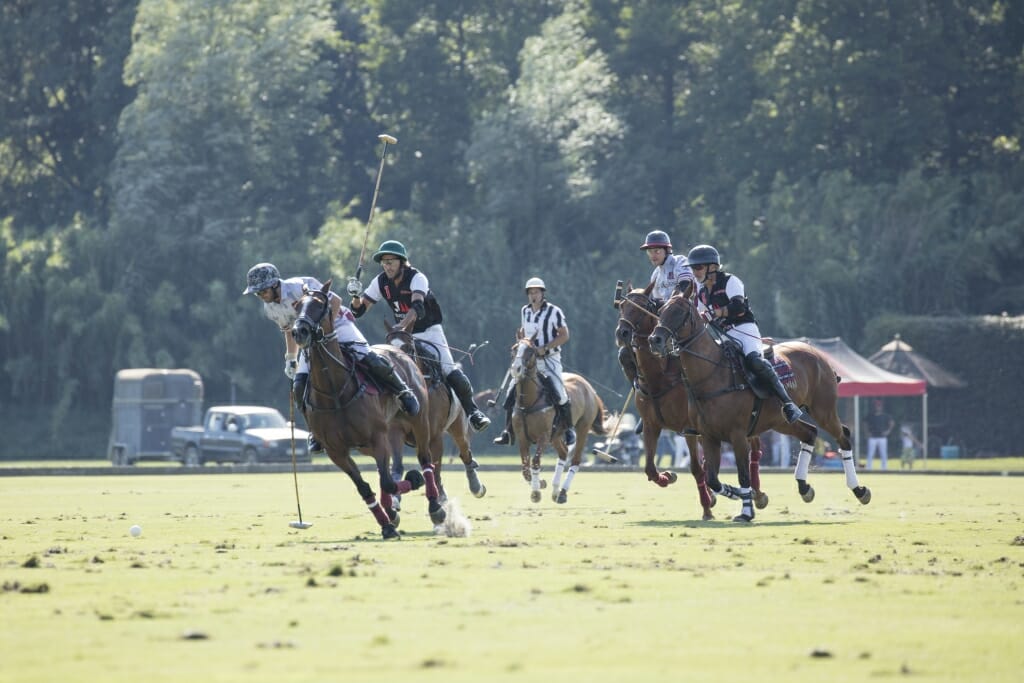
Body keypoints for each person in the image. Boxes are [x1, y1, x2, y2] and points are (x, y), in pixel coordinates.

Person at [243, 262, 420, 456]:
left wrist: (328, 328)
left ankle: (403, 391)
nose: (260, 295)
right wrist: (291, 358)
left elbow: (334, 301)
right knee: (299, 385)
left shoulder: (298, 286)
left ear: (275, 284)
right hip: (311, 340)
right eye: (257, 292)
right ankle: (315, 431)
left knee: (368, 357)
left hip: (339, 324)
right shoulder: (270, 309)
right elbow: (289, 331)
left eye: (262, 290)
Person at [346, 241, 490, 432]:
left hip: (429, 332)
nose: (387, 266)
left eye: (391, 261)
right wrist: (355, 296)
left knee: (448, 368)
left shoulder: (417, 277)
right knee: (383, 369)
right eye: (384, 262)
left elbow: (417, 308)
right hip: (402, 336)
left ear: (402, 262)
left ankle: (473, 412)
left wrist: (401, 326)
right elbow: (359, 311)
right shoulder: (380, 282)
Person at [687, 244, 802, 424]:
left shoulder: (730, 281)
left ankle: (788, 404)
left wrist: (714, 313)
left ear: (713, 267)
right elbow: (699, 317)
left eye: (698, 267)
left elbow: (738, 306)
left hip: (744, 330)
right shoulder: (701, 292)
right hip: (724, 335)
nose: (695, 272)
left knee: (754, 361)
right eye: (693, 268)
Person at [493, 277, 576, 447]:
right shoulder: (525, 311)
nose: (533, 295)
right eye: (530, 292)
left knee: (559, 393)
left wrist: (545, 348)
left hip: (549, 359)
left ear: (542, 293)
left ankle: (568, 430)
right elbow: (525, 333)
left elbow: (564, 335)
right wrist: (520, 342)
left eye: (536, 292)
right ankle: (507, 432)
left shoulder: (554, 312)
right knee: (511, 391)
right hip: (529, 360)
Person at [618, 230, 695, 385]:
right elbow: (652, 305)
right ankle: (640, 386)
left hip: (684, 319)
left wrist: (664, 305)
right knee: (627, 353)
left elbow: (684, 287)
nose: (653, 255)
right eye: (650, 252)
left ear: (667, 250)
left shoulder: (680, 262)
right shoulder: (655, 275)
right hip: (665, 324)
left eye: (657, 251)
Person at [864, 399, 895, 470]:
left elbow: (892, 423)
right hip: (872, 437)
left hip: (882, 437)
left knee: (883, 453)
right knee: (870, 453)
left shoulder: (885, 416)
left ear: (881, 407)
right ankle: (869, 468)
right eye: (877, 406)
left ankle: (884, 468)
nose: (878, 407)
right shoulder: (870, 415)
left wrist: (888, 431)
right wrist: (867, 432)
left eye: (879, 406)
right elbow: (865, 424)